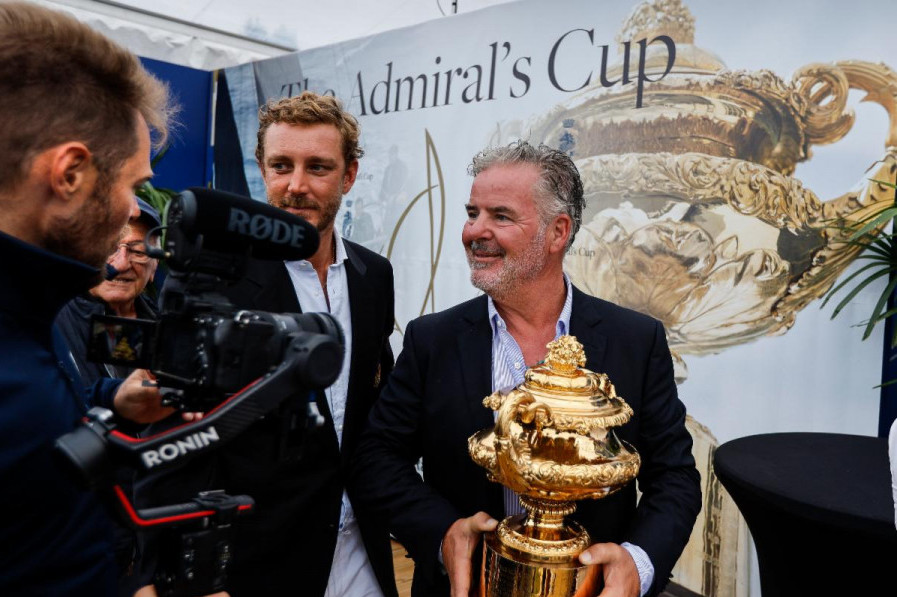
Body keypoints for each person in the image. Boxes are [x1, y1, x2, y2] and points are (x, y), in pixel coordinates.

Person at [351, 141, 702, 597]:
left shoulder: (636, 340)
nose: (474, 231)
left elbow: (675, 476)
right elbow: (377, 457)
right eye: (472, 212)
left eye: (500, 216)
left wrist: (637, 564)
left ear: (558, 232)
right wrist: (443, 534)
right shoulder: (432, 339)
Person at [153, 91, 397, 597]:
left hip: (360, 555)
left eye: (318, 167)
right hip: (255, 563)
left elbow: (369, 409)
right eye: (281, 165)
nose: (296, 186)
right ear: (262, 169)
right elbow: (176, 437)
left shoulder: (375, 275)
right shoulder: (211, 278)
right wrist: (197, 579)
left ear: (349, 176)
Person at [0, 3, 175, 595]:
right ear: (70, 173)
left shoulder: (31, 307)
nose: (135, 214)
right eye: (133, 184)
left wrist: (112, 400)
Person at [56, 199, 163, 384]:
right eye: (108, 248)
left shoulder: (163, 328)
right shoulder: (51, 319)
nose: (121, 264)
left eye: (138, 252)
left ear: (154, 267)